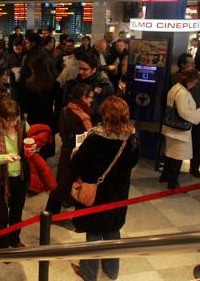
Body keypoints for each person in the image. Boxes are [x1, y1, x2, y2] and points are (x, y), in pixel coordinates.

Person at [70, 97, 139, 281]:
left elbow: (77, 165)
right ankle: (112, 271)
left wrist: (75, 152)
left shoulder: (95, 139)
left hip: (95, 194)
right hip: (119, 194)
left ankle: (89, 273)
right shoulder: (131, 139)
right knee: (113, 231)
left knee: (94, 233)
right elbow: (132, 163)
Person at [0, 99, 29, 249]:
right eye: (7, 120)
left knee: (16, 213)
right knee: (2, 217)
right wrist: (5, 158)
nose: (11, 123)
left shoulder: (22, 126)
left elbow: (32, 144)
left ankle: (14, 240)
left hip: (20, 177)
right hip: (2, 180)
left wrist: (34, 148)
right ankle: (3, 246)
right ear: (0, 117)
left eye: (14, 119)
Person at [45, 83, 94, 214]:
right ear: (83, 97)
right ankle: (76, 217)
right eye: (90, 97)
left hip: (66, 151)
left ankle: (50, 213)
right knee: (76, 184)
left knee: (61, 183)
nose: (92, 100)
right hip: (77, 154)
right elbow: (88, 135)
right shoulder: (82, 116)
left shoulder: (65, 110)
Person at [161, 69, 200, 189]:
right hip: (179, 129)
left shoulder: (175, 88)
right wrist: (198, 115)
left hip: (171, 126)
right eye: (194, 81)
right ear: (189, 80)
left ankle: (165, 176)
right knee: (178, 156)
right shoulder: (183, 92)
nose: (195, 84)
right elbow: (183, 113)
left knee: (170, 154)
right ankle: (173, 182)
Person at [176, 54, 200, 177]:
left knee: (196, 143)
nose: (194, 65)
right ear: (182, 65)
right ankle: (175, 169)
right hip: (182, 116)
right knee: (180, 143)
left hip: (198, 115)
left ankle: (194, 168)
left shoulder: (199, 77)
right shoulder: (176, 78)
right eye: (190, 63)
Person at [21, 55, 62, 158]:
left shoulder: (27, 85)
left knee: (33, 150)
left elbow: (23, 106)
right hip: (48, 119)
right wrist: (56, 124)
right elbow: (58, 106)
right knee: (45, 150)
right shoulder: (55, 84)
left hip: (32, 120)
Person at [63, 53, 115, 124]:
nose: (80, 72)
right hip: (75, 123)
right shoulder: (73, 83)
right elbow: (67, 102)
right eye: (80, 68)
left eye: (85, 69)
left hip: (95, 124)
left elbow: (107, 109)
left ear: (93, 70)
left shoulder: (104, 85)